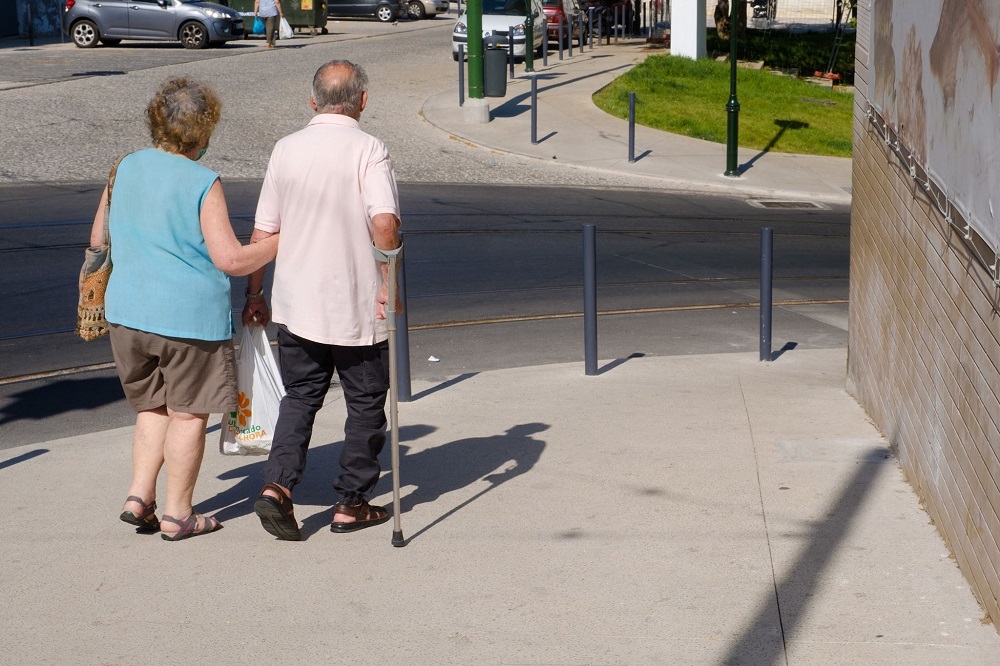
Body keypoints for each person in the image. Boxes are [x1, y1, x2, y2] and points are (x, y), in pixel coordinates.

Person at [97, 77, 280, 541]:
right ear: (204, 129)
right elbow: (231, 259)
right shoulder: (202, 181)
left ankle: (139, 497)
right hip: (188, 320)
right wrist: (283, 239)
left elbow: (99, 239)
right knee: (188, 414)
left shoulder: (124, 166)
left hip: (126, 313)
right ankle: (179, 514)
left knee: (152, 407)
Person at [242, 60, 402, 541]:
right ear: (363, 101)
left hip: (297, 304)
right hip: (357, 305)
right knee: (365, 402)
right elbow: (385, 223)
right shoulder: (369, 149)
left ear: (313, 101)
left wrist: (255, 293)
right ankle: (350, 503)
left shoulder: (286, 149)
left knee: (301, 397)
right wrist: (389, 285)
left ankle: (277, 487)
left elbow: (263, 231)